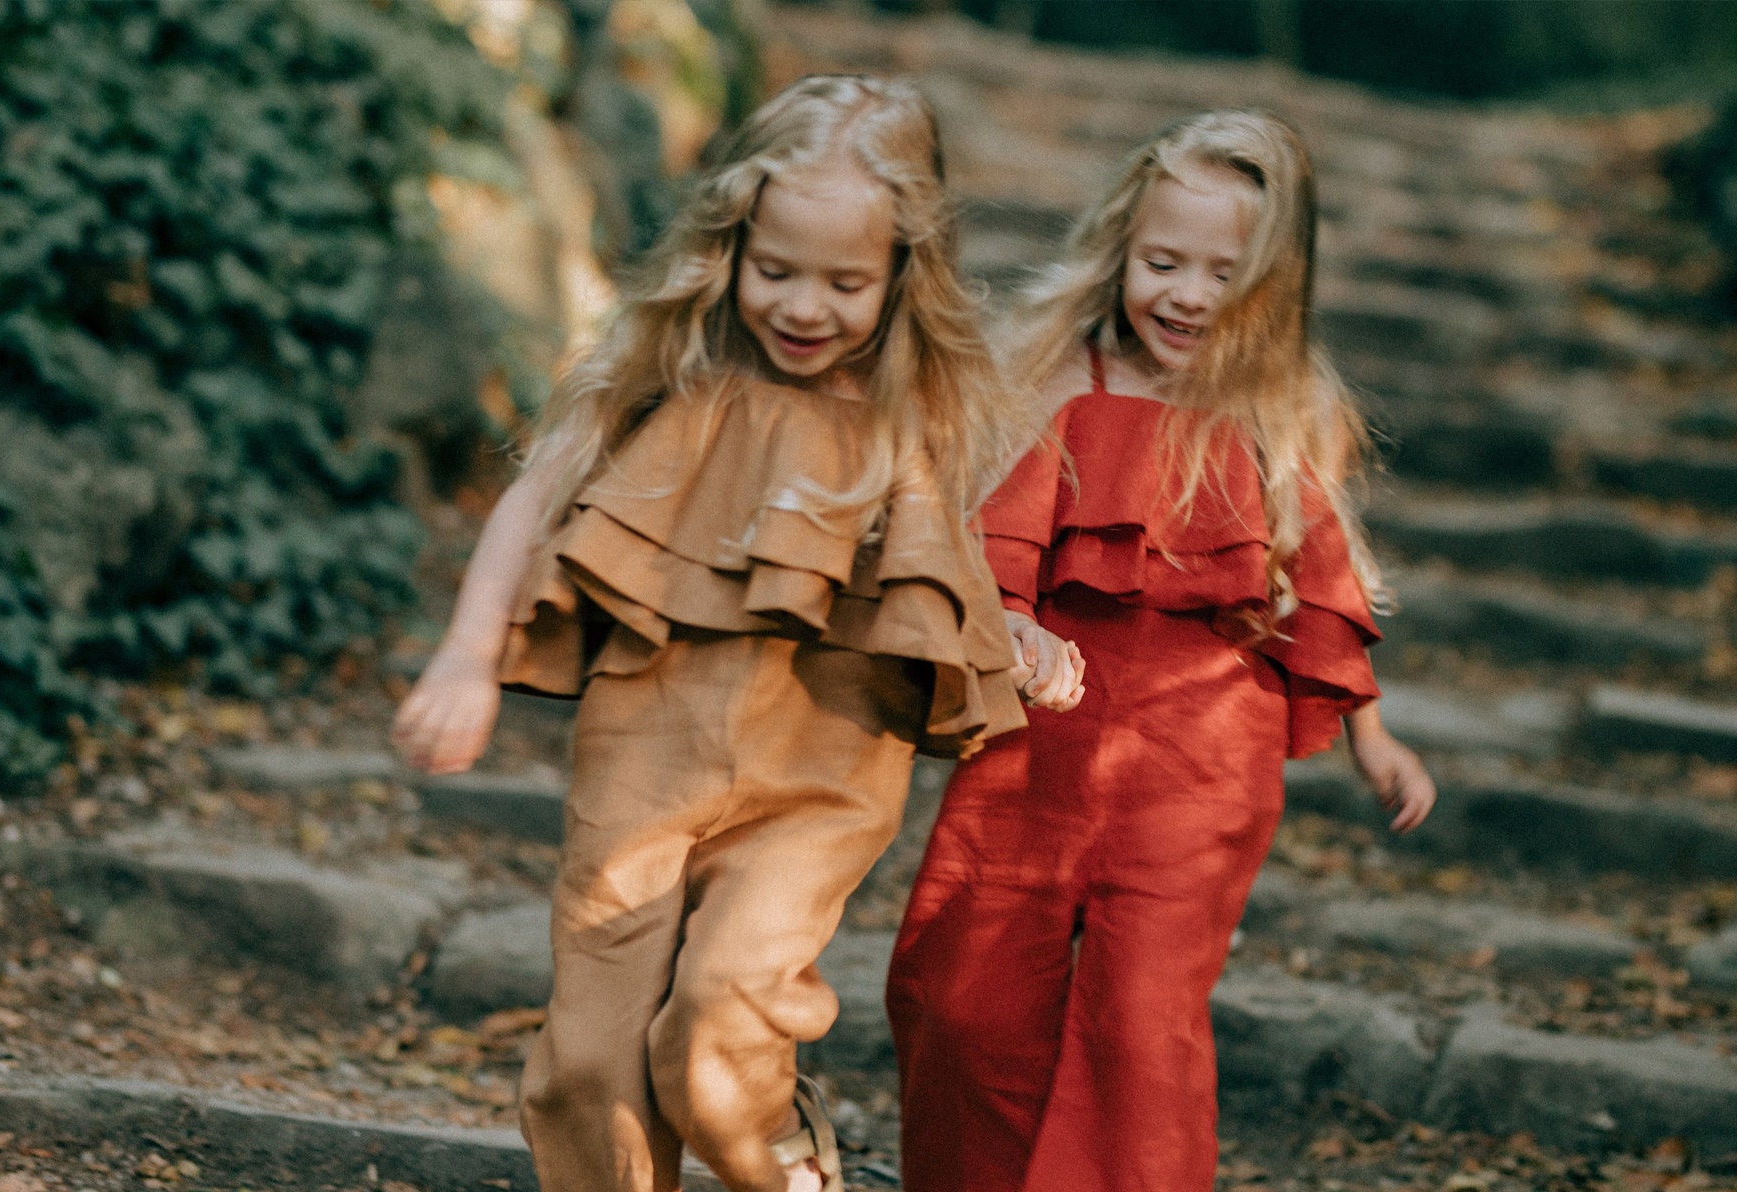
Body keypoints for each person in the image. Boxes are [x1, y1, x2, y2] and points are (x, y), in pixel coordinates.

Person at [392, 75, 1037, 1192]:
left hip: (821, 771)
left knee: (713, 1035)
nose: (802, 307)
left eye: (845, 282)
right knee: (589, 1062)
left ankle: (787, 1167)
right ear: (728, 245)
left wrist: (1016, 633)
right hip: (645, 752)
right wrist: (465, 656)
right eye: (774, 271)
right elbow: (536, 495)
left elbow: (961, 566)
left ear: (900, 275)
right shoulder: (673, 371)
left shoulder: (918, 409)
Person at [885, 109, 1438, 1192]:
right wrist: (1013, 624)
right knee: (963, 994)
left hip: (1200, 763)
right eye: (1160, 261)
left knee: (1139, 1023)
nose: (1184, 293)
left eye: (1222, 271)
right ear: (1119, 252)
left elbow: (1318, 581)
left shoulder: (1281, 412)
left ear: (1275, 283)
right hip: (1037, 737)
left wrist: (1374, 739)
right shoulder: (1060, 377)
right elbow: (992, 542)